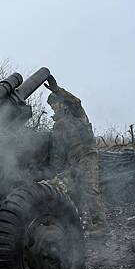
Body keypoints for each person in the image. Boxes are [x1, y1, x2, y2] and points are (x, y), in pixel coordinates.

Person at [45, 76, 108, 239]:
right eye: (52, 106)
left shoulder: (76, 114)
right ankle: (75, 226)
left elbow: (76, 102)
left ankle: (100, 226)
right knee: (72, 193)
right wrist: (57, 170)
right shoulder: (57, 126)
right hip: (70, 163)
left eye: (55, 103)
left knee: (89, 188)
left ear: (61, 102)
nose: (54, 108)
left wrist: (57, 90)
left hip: (86, 155)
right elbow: (57, 152)